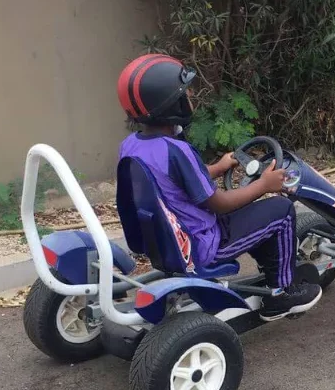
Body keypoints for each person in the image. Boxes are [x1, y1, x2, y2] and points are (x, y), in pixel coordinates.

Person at [116, 54, 322, 321]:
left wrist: (218, 167)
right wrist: (264, 185)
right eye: (186, 94)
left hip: (168, 239)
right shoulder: (177, 150)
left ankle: (271, 268)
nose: (191, 98)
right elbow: (219, 203)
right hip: (204, 244)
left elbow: (174, 183)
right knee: (281, 211)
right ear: (171, 104)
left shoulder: (132, 145)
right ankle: (281, 294)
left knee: (256, 215)